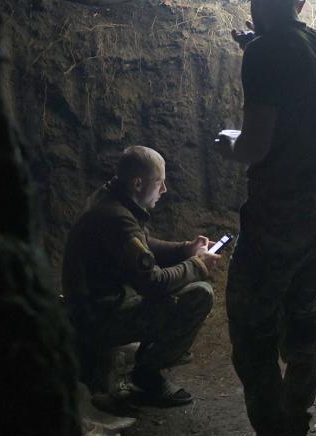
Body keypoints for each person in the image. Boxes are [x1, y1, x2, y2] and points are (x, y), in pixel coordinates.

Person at [213, 0, 316, 436]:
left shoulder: (266, 54)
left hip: (279, 206)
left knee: (251, 330)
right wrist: (260, 47)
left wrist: (229, 144)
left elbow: (256, 145)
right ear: (300, 1)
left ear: (255, 0)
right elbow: (302, 97)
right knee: (300, 322)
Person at [62, 145, 220, 406]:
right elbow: (153, 283)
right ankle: (147, 377)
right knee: (199, 294)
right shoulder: (117, 219)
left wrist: (186, 249)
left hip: (91, 307)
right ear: (138, 183)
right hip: (98, 318)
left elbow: (142, 244)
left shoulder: (110, 199)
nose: (165, 189)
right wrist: (197, 264)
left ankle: (153, 354)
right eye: (159, 182)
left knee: (184, 285)